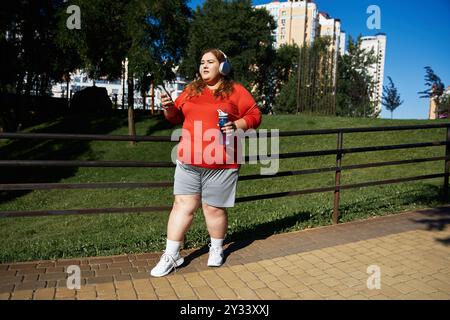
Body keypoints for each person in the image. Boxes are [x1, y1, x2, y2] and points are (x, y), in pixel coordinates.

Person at [150, 48, 262, 277]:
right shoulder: (192, 90)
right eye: (202, 62)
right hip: (189, 160)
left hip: (222, 162)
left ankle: (217, 248)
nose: (204, 66)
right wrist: (168, 108)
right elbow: (176, 117)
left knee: (213, 208)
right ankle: (171, 255)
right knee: (182, 205)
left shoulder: (236, 91)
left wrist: (237, 125)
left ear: (223, 67)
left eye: (210, 62)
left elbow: (254, 115)